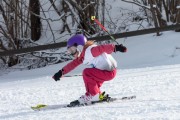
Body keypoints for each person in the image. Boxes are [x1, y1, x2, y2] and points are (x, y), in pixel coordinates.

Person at [52, 34, 127, 104]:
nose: (72, 53)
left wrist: (116, 48)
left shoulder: (90, 51)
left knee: (87, 73)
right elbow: (73, 64)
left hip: (108, 72)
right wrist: (61, 72)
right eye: (70, 51)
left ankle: (92, 95)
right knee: (92, 80)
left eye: (72, 50)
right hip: (106, 71)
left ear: (79, 46)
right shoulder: (83, 55)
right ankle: (97, 95)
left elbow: (102, 48)